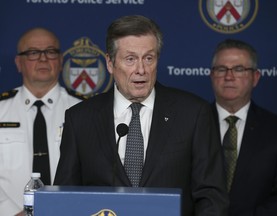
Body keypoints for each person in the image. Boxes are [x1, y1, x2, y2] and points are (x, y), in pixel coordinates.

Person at [54, 15, 229, 216]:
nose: (141, 70)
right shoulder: (80, 119)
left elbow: (212, 197)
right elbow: (65, 197)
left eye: (148, 58)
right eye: (130, 59)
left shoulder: (193, 113)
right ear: (110, 63)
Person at [0, 27, 82, 215]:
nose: (43, 59)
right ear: (18, 62)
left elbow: (94, 175)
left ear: (61, 61)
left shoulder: (84, 111)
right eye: (33, 53)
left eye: (51, 52)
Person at [210, 39, 277, 216]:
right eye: (222, 69)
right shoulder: (191, 124)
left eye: (239, 69)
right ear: (212, 75)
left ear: (255, 77)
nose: (229, 76)